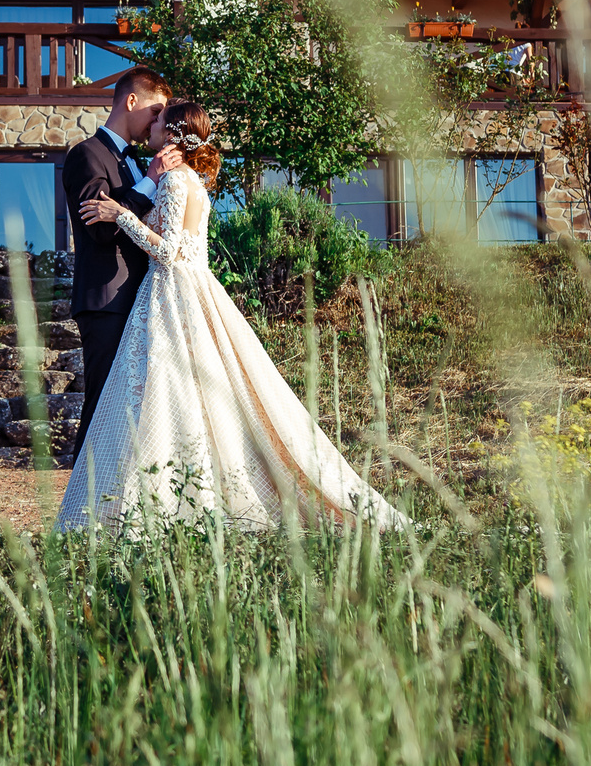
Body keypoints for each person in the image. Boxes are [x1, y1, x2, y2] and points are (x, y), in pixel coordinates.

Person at [58, 102, 407, 534]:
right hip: (185, 290)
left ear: (173, 134)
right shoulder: (190, 180)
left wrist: (122, 214)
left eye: (159, 121)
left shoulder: (176, 181)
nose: (152, 125)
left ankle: (164, 504)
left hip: (172, 293)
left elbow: (169, 251)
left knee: (169, 393)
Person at [60, 68, 167, 445]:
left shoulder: (135, 161)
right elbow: (102, 230)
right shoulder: (86, 155)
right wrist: (150, 181)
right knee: (102, 405)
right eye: (156, 112)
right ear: (132, 101)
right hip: (107, 301)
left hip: (140, 298)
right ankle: (84, 483)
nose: (158, 121)